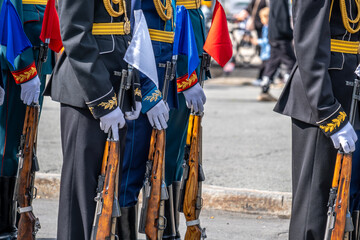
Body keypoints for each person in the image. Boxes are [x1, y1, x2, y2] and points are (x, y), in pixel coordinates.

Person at [44, 0, 141, 239]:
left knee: (110, 189)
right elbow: (75, 34)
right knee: (80, 192)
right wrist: (102, 98)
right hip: (86, 91)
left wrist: (134, 88)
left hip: (117, 83)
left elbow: (126, 31)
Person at [274, 0, 359, 239]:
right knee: (314, 206)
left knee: (349, 202)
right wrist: (327, 110)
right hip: (324, 96)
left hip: (352, 89)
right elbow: (309, 44)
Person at [117, 1, 174, 239]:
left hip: (164, 76)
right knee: (130, 170)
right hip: (144, 81)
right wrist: (148, 92)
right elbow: (132, 33)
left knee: (153, 168)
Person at [0, 0, 54, 238]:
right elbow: (7, 17)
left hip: (36, 61)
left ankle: (14, 217)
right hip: (17, 65)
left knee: (25, 146)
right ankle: (3, 225)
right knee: (6, 149)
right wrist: (23, 68)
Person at [162, 1, 207, 239]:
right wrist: (185, 76)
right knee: (169, 150)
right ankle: (163, 227)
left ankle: (171, 226)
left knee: (180, 151)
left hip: (193, 42)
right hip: (179, 46)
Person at [258, 0, 295, 102]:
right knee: (291, 63)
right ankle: (294, 92)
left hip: (274, 35)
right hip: (281, 36)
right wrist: (290, 33)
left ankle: (264, 89)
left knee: (272, 63)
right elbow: (282, 19)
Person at [250, 7, 271, 100]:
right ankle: (263, 82)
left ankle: (262, 81)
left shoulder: (268, 28)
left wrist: (257, 41)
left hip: (268, 53)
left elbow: (267, 40)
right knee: (264, 68)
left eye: (263, 18)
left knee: (266, 69)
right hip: (265, 53)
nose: (262, 20)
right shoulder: (265, 27)